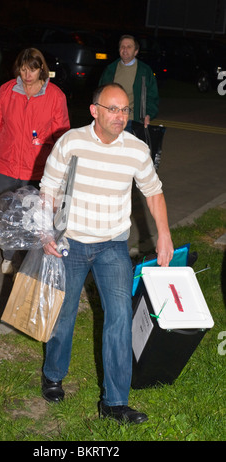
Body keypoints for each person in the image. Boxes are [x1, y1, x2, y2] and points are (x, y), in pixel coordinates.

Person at [39, 83, 174, 425]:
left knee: (119, 319)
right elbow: (49, 187)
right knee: (64, 314)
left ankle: (114, 402)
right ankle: (53, 374)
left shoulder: (136, 149)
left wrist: (164, 236)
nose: (120, 117)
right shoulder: (71, 142)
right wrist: (45, 232)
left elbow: (153, 192)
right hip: (71, 242)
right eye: (112, 109)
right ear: (94, 110)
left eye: (125, 110)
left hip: (113, 244)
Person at [0, 48, 70, 274]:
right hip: (6, 164)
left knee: (36, 217)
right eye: (23, 69)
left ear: (41, 68)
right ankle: (9, 256)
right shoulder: (7, 91)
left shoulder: (55, 96)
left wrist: (61, 164)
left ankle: (30, 259)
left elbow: (63, 136)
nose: (27, 75)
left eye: (32, 69)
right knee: (6, 214)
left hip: (39, 170)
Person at [99, 35, 159, 131]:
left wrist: (148, 114)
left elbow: (152, 96)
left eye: (129, 47)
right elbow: (100, 94)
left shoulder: (144, 71)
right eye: (122, 47)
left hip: (133, 121)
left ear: (136, 51)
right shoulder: (110, 69)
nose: (125, 49)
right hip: (111, 119)